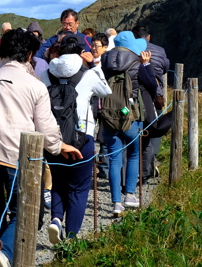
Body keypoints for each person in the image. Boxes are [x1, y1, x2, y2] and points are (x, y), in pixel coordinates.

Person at [0, 29, 80, 267]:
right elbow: (46, 127)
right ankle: (4, 255)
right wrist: (59, 146)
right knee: (27, 213)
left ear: (1, 52)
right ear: (29, 55)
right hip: (21, 157)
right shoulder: (35, 85)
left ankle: (1, 260)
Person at [42, 37, 112, 242]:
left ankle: (56, 219)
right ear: (81, 53)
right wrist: (94, 65)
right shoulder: (88, 74)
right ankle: (71, 238)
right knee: (79, 189)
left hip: (54, 141)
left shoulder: (45, 74)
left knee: (58, 183)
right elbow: (106, 91)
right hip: (82, 140)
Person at [101, 31, 158, 216]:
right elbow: (152, 86)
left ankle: (116, 203)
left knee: (114, 159)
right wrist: (146, 65)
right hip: (131, 116)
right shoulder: (136, 62)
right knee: (134, 154)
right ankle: (130, 195)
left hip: (109, 116)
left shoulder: (104, 61)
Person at [133, 25, 169, 182]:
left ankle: (140, 167)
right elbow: (166, 67)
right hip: (157, 96)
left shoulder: (133, 50)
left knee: (138, 132)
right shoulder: (160, 50)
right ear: (148, 36)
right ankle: (151, 161)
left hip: (138, 97)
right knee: (154, 129)